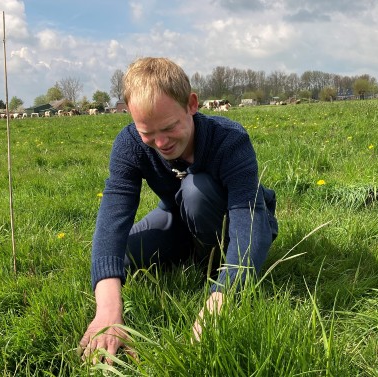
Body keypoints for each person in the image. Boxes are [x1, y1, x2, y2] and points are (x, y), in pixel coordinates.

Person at [79, 57, 278, 361]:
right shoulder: (129, 145)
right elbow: (112, 218)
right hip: (177, 215)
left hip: (230, 217)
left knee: (196, 191)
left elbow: (246, 215)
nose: (161, 142)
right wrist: (108, 310)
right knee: (125, 256)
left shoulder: (230, 139)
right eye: (147, 132)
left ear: (192, 104)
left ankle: (216, 264)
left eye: (170, 127)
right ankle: (192, 250)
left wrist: (222, 297)